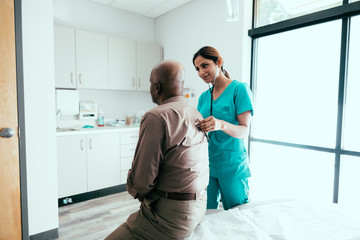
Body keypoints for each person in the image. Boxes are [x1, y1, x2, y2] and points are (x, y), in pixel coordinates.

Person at [105, 60, 209, 240]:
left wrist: (136, 190)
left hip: (171, 219)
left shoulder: (156, 117)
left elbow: (141, 181)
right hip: (199, 207)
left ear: (156, 87)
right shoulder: (195, 113)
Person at [192, 46, 253, 210]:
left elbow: (244, 130)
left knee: (238, 215)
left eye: (205, 65)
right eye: (197, 69)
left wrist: (220, 124)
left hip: (232, 166)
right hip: (207, 165)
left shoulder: (239, 89)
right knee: (206, 214)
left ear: (219, 62)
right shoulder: (204, 97)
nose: (201, 72)